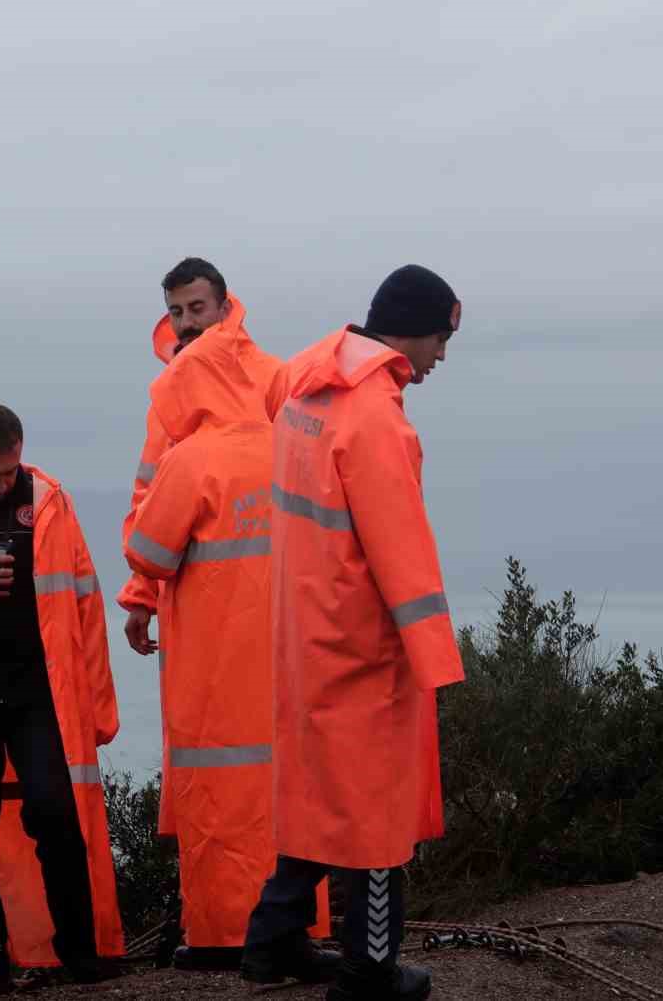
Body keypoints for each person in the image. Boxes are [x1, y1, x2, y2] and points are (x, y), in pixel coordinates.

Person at [242, 266, 466, 1000]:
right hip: (358, 644)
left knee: (314, 795)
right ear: (415, 330)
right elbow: (403, 555)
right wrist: (437, 663)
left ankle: (271, 942)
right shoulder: (377, 419)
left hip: (300, 627)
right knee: (372, 814)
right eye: (442, 340)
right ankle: (371, 971)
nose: (441, 358)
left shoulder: (305, 389)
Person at [122, 323, 334, 977]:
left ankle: (220, 933)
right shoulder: (293, 446)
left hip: (212, 671)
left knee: (216, 804)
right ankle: (298, 928)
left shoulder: (192, 457)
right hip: (288, 661)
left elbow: (148, 552)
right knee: (289, 794)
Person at [0, 404, 124, 984]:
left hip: (39, 692)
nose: (0, 484)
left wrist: (99, 709)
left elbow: (86, 604)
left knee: (57, 815)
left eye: (9, 472)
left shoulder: (49, 500)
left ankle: (82, 956)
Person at [116, 258, 282, 949]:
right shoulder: (211, 391)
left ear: (223, 305)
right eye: (177, 310)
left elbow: (153, 523)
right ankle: (288, 925)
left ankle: (221, 930)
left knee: (214, 775)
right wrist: (140, 600)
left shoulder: (219, 397)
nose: (187, 322)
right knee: (279, 773)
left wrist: (140, 590)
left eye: (196, 308)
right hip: (270, 622)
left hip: (214, 626)